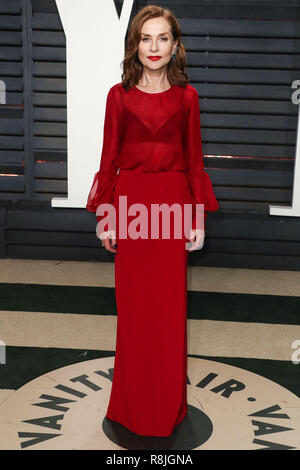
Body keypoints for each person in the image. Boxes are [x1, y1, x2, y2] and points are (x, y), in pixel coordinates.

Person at [86, 5, 219, 438]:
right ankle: (130, 407)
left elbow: (195, 160)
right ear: (135, 46)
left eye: (163, 38)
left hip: (174, 207)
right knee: (134, 313)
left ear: (175, 45)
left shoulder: (188, 98)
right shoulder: (117, 96)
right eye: (146, 38)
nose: (154, 47)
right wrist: (107, 216)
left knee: (167, 313)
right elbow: (109, 160)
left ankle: (166, 409)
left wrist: (196, 216)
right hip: (132, 208)